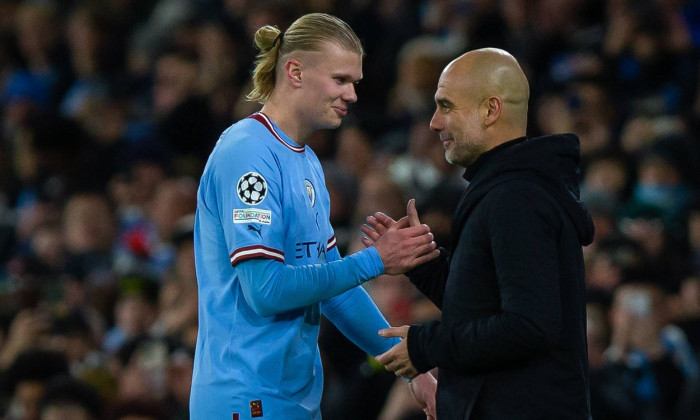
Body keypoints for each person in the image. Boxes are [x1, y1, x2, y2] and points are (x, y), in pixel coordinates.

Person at [190, 13, 439, 420]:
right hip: (245, 396)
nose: (353, 94)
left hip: (294, 398)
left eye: (355, 82)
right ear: (295, 72)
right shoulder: (247, 152)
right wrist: (375, 260)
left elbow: (333, 287)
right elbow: (265, 290)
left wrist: (410, 370)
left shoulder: (306, 162)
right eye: (341, 80)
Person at [363, 48, 596, 419]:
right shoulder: (505, 189)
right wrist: (421, 261)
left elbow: (530, 325)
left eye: (447, 106)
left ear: (491, 110)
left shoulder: (516, 197)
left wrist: (425, 345)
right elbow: (482, 307)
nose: (434, 123)